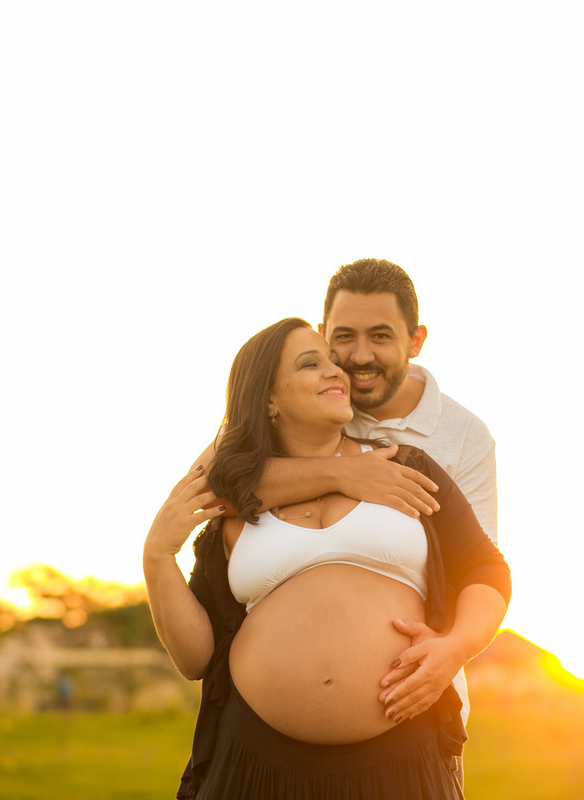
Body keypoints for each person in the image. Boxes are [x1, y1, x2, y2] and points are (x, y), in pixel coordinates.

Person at [145, 318, 511, 799]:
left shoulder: (406, 468)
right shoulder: (236, 506)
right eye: (309, 363)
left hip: (400, 754)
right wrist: (156, 556)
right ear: (269, 400)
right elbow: (197, 658)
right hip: (255, 765)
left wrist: (456, 646)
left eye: (332, 362)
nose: (336, 372)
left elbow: (485, 570)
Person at [189, 259, 498, 733]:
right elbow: (216, 484)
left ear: (415, 341)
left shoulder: (463, 438)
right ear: (322, 332)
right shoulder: (310, 395)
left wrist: (453, 649)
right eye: (344, 337)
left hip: (417, 704)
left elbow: (472, 565)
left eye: (380, 336)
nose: (357, 358)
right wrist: (342, 475)